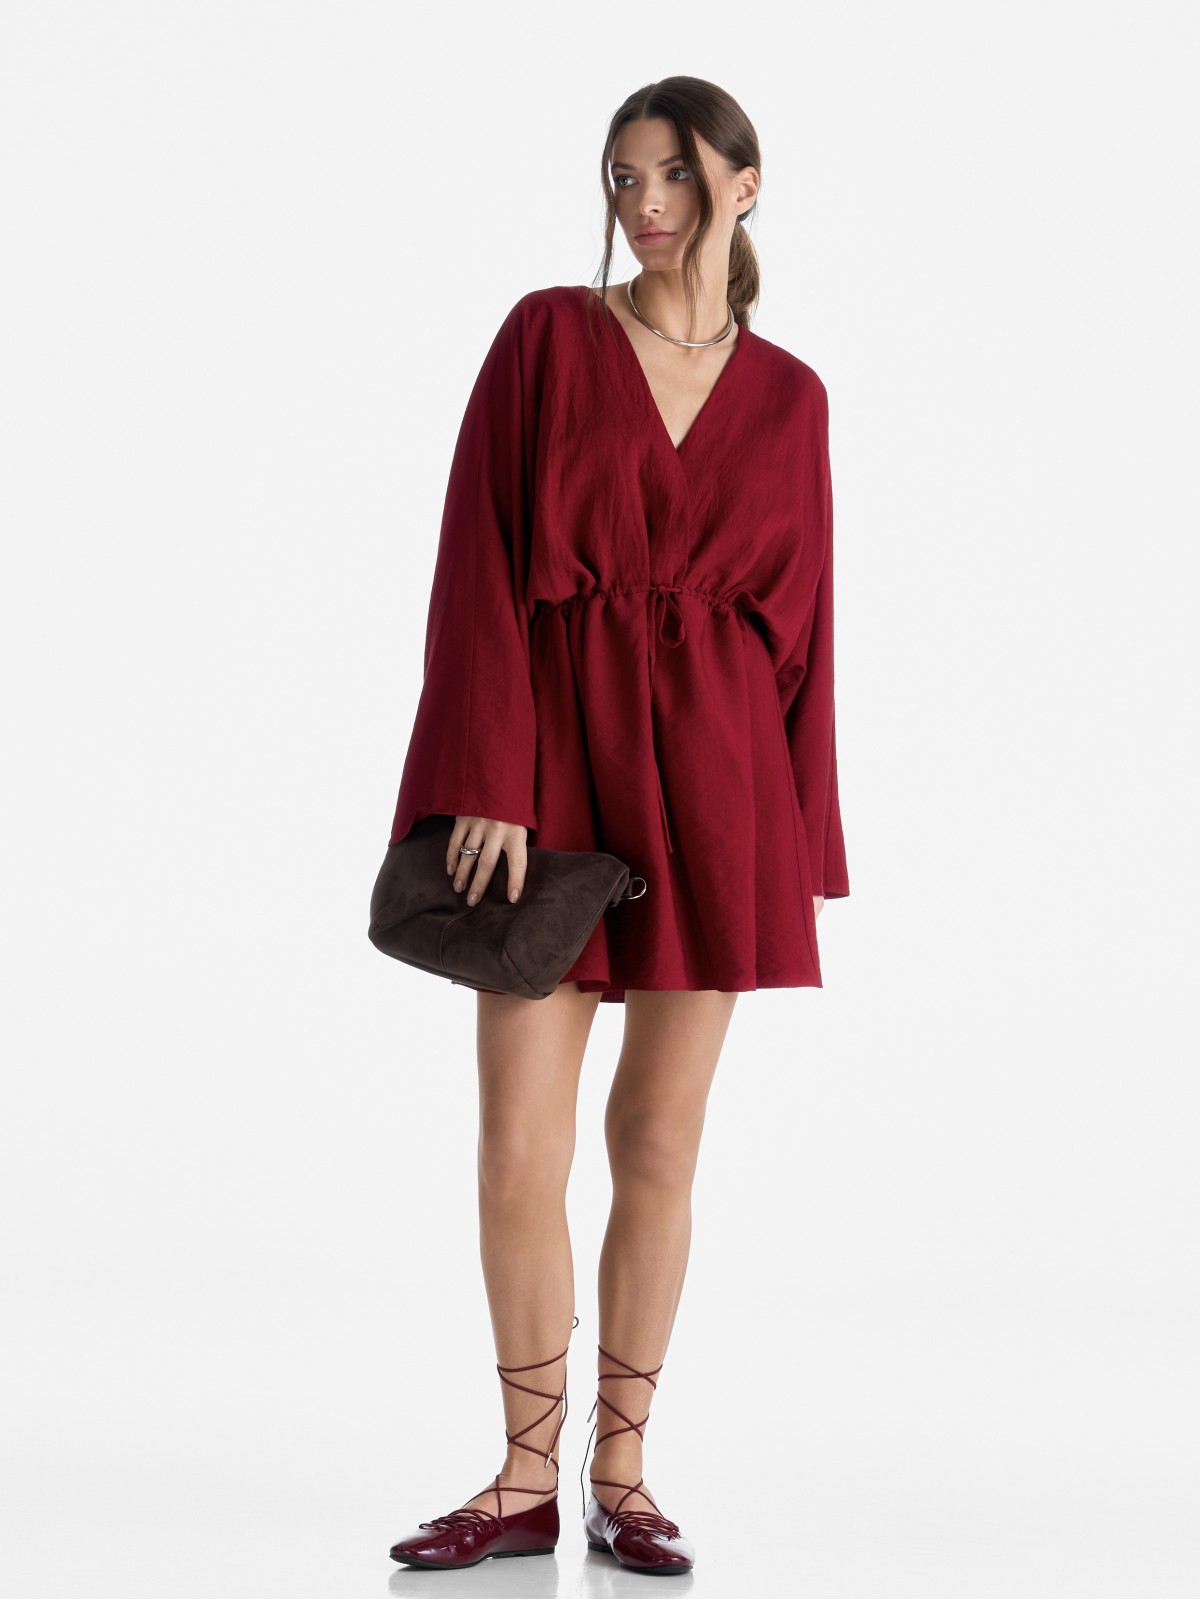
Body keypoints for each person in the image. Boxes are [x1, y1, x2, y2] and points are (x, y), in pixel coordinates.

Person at [385, 75, 849, 1575]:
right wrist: (489, 777)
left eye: (675, 176)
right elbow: (478, 564)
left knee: (657, 1140)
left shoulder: (793, 399)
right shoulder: (547, 338)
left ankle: (624, 1474)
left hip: (721, 791)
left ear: (744, 186)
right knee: (518, 1141)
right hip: (552, 781)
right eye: (624, 177)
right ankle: (524, 1477)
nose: (645, 204)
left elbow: (804, 639)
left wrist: (799, 843)